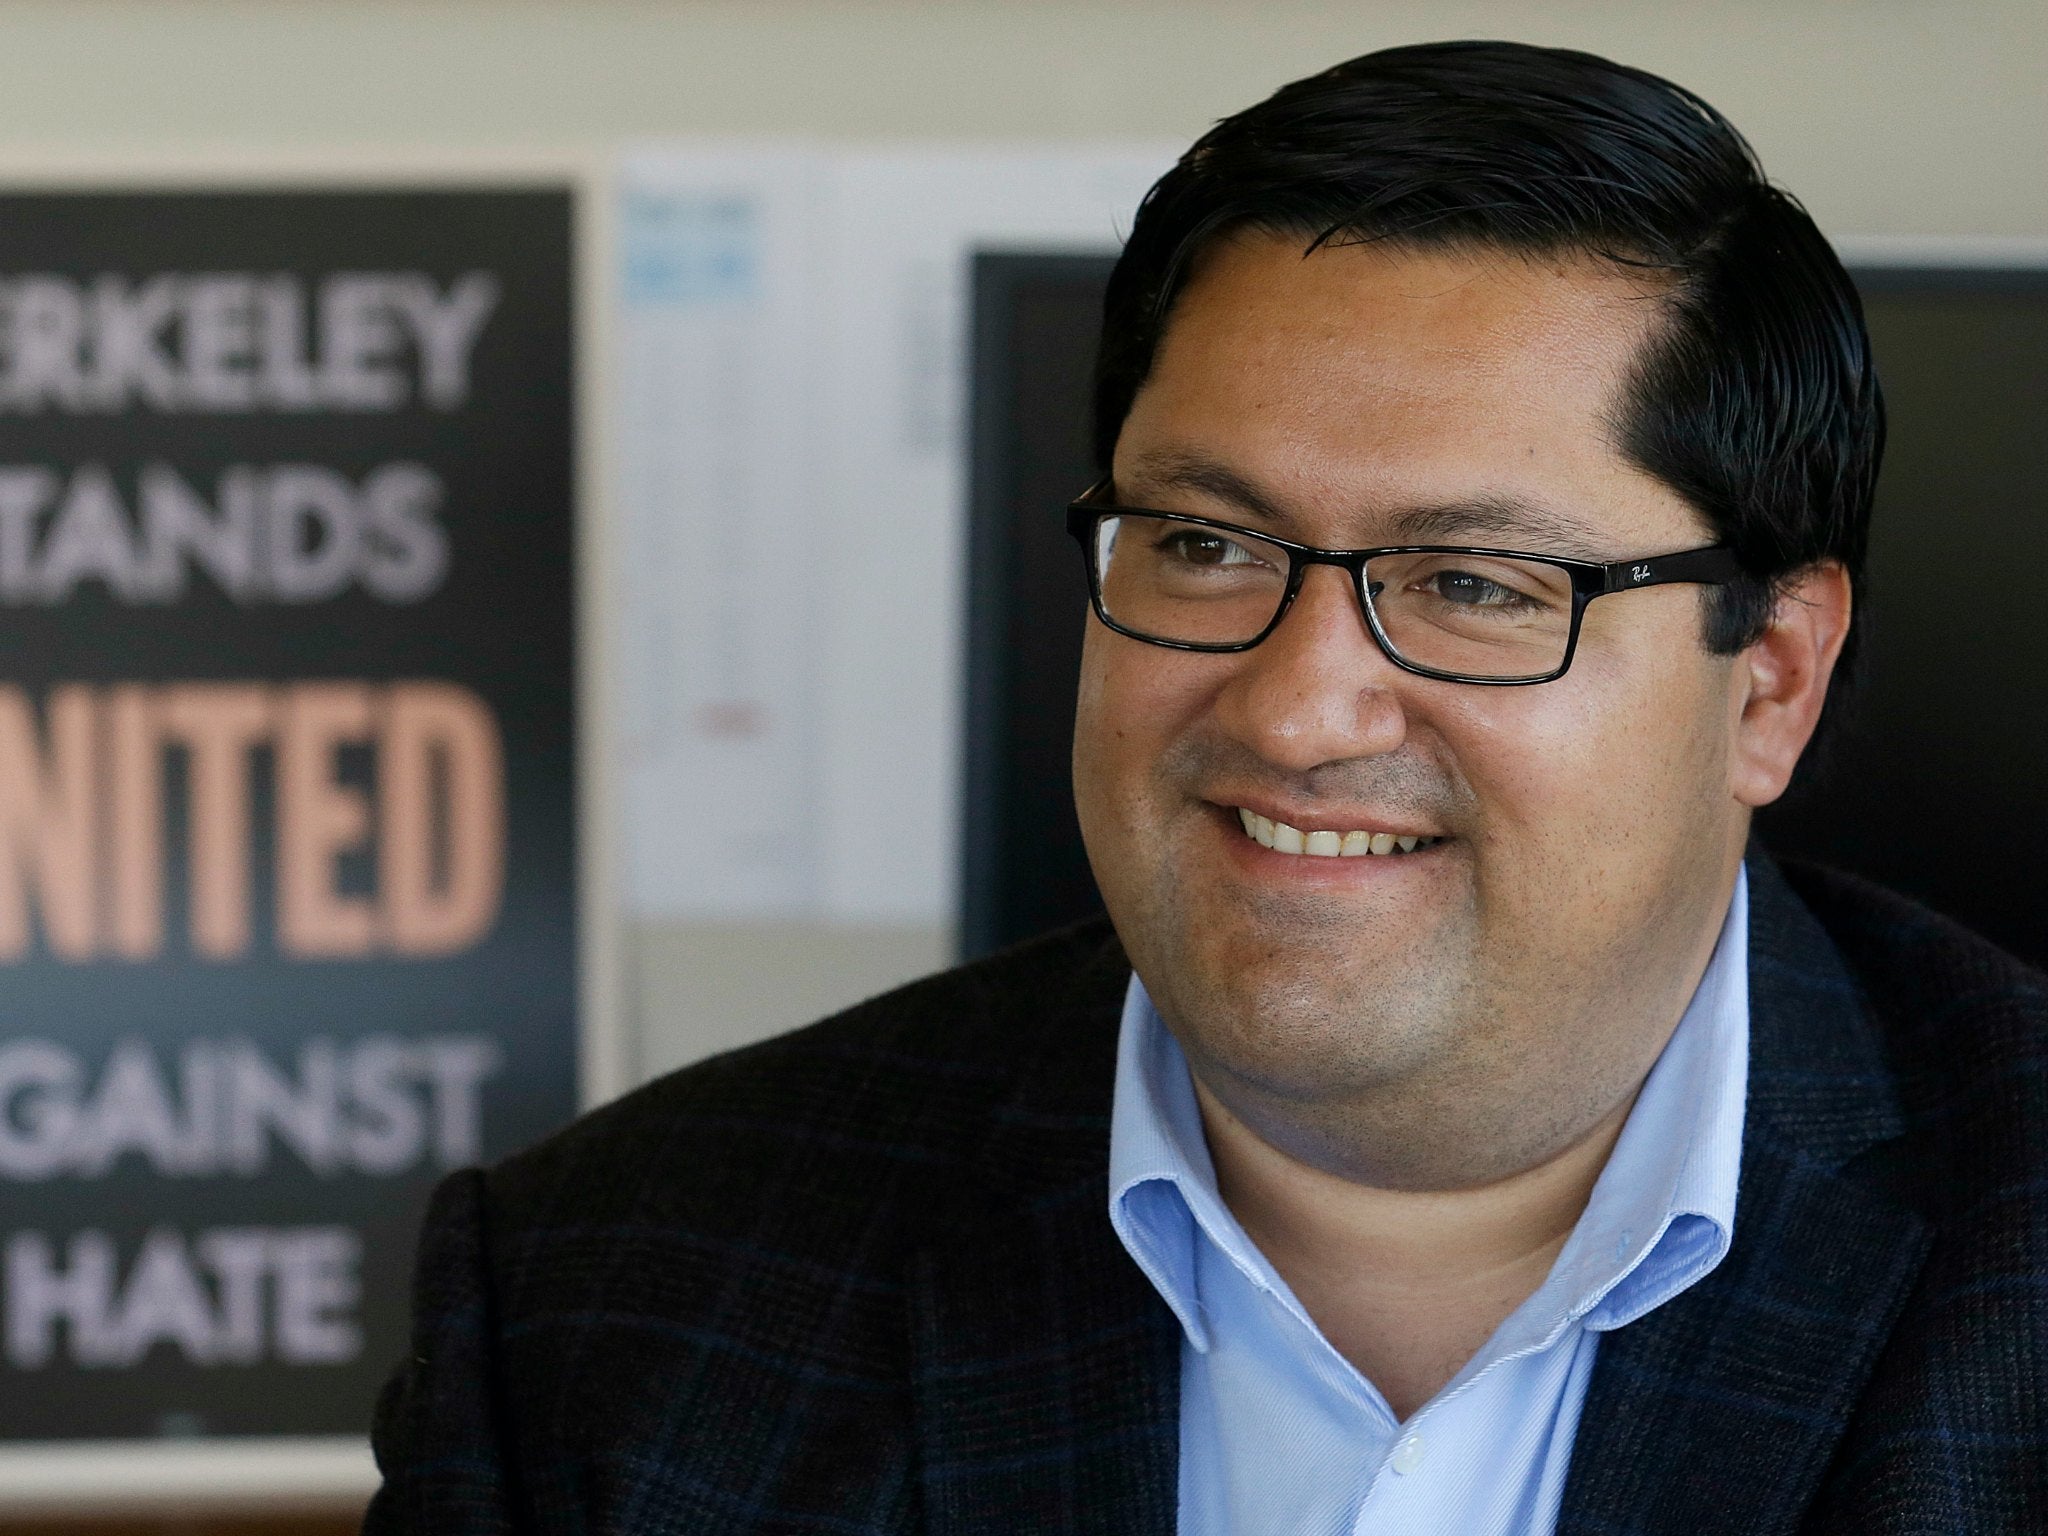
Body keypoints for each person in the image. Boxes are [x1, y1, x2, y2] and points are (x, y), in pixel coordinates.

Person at [365, 40, 2047, 1536]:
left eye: (1474, 585)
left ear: (1771, 681)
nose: (1303, 711)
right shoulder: (611, 1304)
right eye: (1203, 545)